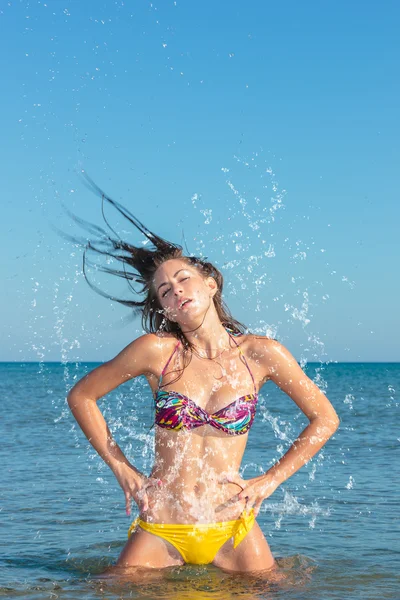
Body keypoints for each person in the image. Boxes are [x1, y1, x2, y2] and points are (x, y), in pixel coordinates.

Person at [66, 177, 340, 575]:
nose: (175, 291)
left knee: (285, 590)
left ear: (210, 285)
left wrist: (270, 480)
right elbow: (81, 397)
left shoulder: (262, 354)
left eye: (183, 280)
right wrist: (124, 471)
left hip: (232, 525)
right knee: (104, 590)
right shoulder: (158, 352)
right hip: (163, 527)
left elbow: (326, 418)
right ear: (166, 310)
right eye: (164, 292)